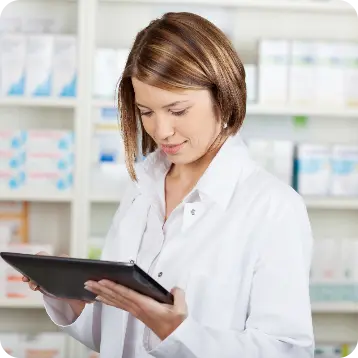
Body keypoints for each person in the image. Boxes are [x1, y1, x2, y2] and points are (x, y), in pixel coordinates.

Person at [24, 12, 314, 358]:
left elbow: (287, 351)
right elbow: (115, 336)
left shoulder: (273, 207)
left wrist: (177, 333)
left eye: (177, 111)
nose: (161, 131)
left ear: (223, 96)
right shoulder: (140, 190)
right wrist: (68, 293)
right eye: (146, 112)